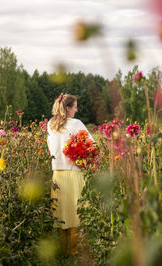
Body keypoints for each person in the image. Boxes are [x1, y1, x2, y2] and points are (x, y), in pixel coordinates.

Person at [47, 93, 94, 256]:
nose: (77, 109)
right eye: (75, 107)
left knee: (60, 214)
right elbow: (92, 145)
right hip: (73, 173)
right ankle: (72, 252)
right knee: (74, 214)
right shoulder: (76, 123)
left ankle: (63, 252)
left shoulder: (51, 124)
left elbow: (50, 148)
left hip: (57, 173)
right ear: (67, 108)